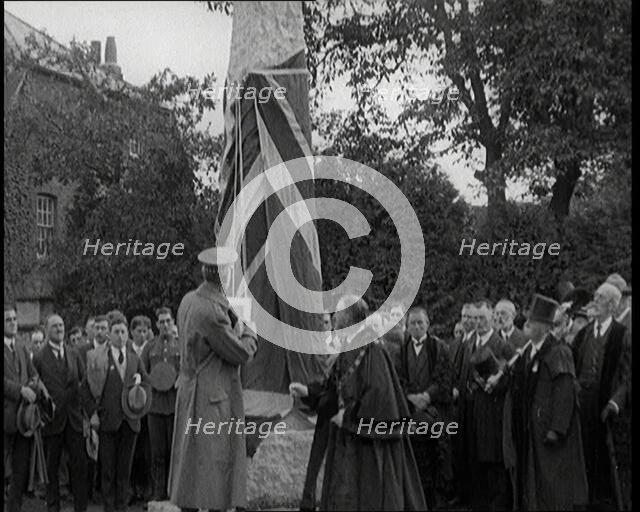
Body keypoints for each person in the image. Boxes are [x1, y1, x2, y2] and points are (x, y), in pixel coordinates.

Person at [290, 295, 427, 511]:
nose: (334, 318)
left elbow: (380, 395)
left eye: (339, 313)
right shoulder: (349, 347)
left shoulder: (373, 350)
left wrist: (347, 417)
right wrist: (309, 392)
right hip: (347, 441)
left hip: (368, 446)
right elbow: (335, 388)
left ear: (351, 318)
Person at [168, 246, 257, 512]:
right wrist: (250, 333)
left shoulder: (189, 300)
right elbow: (239, 353)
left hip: (190, 391)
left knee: (190, 469)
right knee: (214, 474)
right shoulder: (212, 312)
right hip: (212, 397)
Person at [505, 294, 588, 510]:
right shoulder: (529, 351)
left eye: (532, 321)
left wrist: (556, 430)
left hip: (549, 437)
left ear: (544, 326)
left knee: (552, 487)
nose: (527, 325)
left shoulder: (559, 352)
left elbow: (565, 394)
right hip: (531, 431)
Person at [85, 312, 151, 512]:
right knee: (108, 472)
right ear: (109, 335)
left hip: (130, 424)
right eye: (116, 332)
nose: (120, 336)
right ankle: (109, 508)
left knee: (124, 472)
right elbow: (85, 389)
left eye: (123, 332)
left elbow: (147, 383)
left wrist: (140, 403)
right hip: (108, 423)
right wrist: (92, 414)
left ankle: (121, 508)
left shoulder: (134, 359)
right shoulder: (98, 358)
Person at [572, 282, 630, 509]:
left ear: (612, 305)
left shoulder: (622, 335)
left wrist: (616, 402)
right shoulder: (584, 334)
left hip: (607, 410)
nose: (594, 301)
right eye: (595, 296)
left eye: (599, 297)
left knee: (606, 468)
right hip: (583, 407)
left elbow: (628, 376)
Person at [395, 306, 454, 509]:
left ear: (428, 324)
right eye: (413, 323)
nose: (417, 326)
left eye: (421, 322)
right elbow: (399, 380)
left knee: (436, 463)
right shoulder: (401, 352)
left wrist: (427, 396)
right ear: (407, 326)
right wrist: (411, 397)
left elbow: (444, 378)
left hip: (434, 413)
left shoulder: (439, 348)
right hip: (411, 413)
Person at [33, 314, 91, 512]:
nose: (59, 329)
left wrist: (86, 413)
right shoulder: (40, 357)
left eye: (61, 325)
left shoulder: (74, 353)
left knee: (79, 467)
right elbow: (35, 385)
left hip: (73, 420)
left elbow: (84, 383)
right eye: (55, 326)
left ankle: (80, 508)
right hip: (52, 421)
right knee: (52, 468)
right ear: (47, 330)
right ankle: (53, 507)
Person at [465, 300, 514, 511]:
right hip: (475, 411)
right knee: (477, 461)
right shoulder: (468, 343)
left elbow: (512, 377)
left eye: (483, 318)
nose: (478, 323)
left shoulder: (502, 345)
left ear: (492, 318)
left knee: (495, 463)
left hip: (495, 412)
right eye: (475, 318)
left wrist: (496, 383)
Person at [141, 307, 180, 502]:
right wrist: (153, 380)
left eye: (168, 321)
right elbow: (141, 372)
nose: (165, 325)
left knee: (174, 451)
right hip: (155, 407)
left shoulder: (180, 346)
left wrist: (179, 379)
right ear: (156, 325)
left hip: (175, 407)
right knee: (157, 452)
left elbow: (188, 371)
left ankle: (174, 490)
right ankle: (158, 491)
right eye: (161, 322)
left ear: (173, 322)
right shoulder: (149, 347)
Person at [4, 303, 40, 512]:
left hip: (23, 419)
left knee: (20, 468)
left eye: (15, 319)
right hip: (6, 417)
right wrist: (20, 390)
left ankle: (13, 508)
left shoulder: (22, 347)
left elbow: (34, 373)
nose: (13, 323)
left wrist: (32, 385)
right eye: (8, 320)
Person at [450, 302, 477, 506]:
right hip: (458, 407)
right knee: (459, 450)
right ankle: (462, 494)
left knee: (472, 451)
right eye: (464, 316)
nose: (467, 320)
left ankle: (471, 495)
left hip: (472, 407)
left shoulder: (476, 342)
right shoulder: (458, 342)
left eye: (471, 317)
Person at [129, 316, 152, 503]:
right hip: (129, 407)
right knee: (132, 451)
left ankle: (145, 489)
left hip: (147, 406)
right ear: (132, 332)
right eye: (139, 331)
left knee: (146, 450)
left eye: (145, 331)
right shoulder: (127, 349)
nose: (142, 335)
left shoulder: (150, 349)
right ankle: (132, 489)